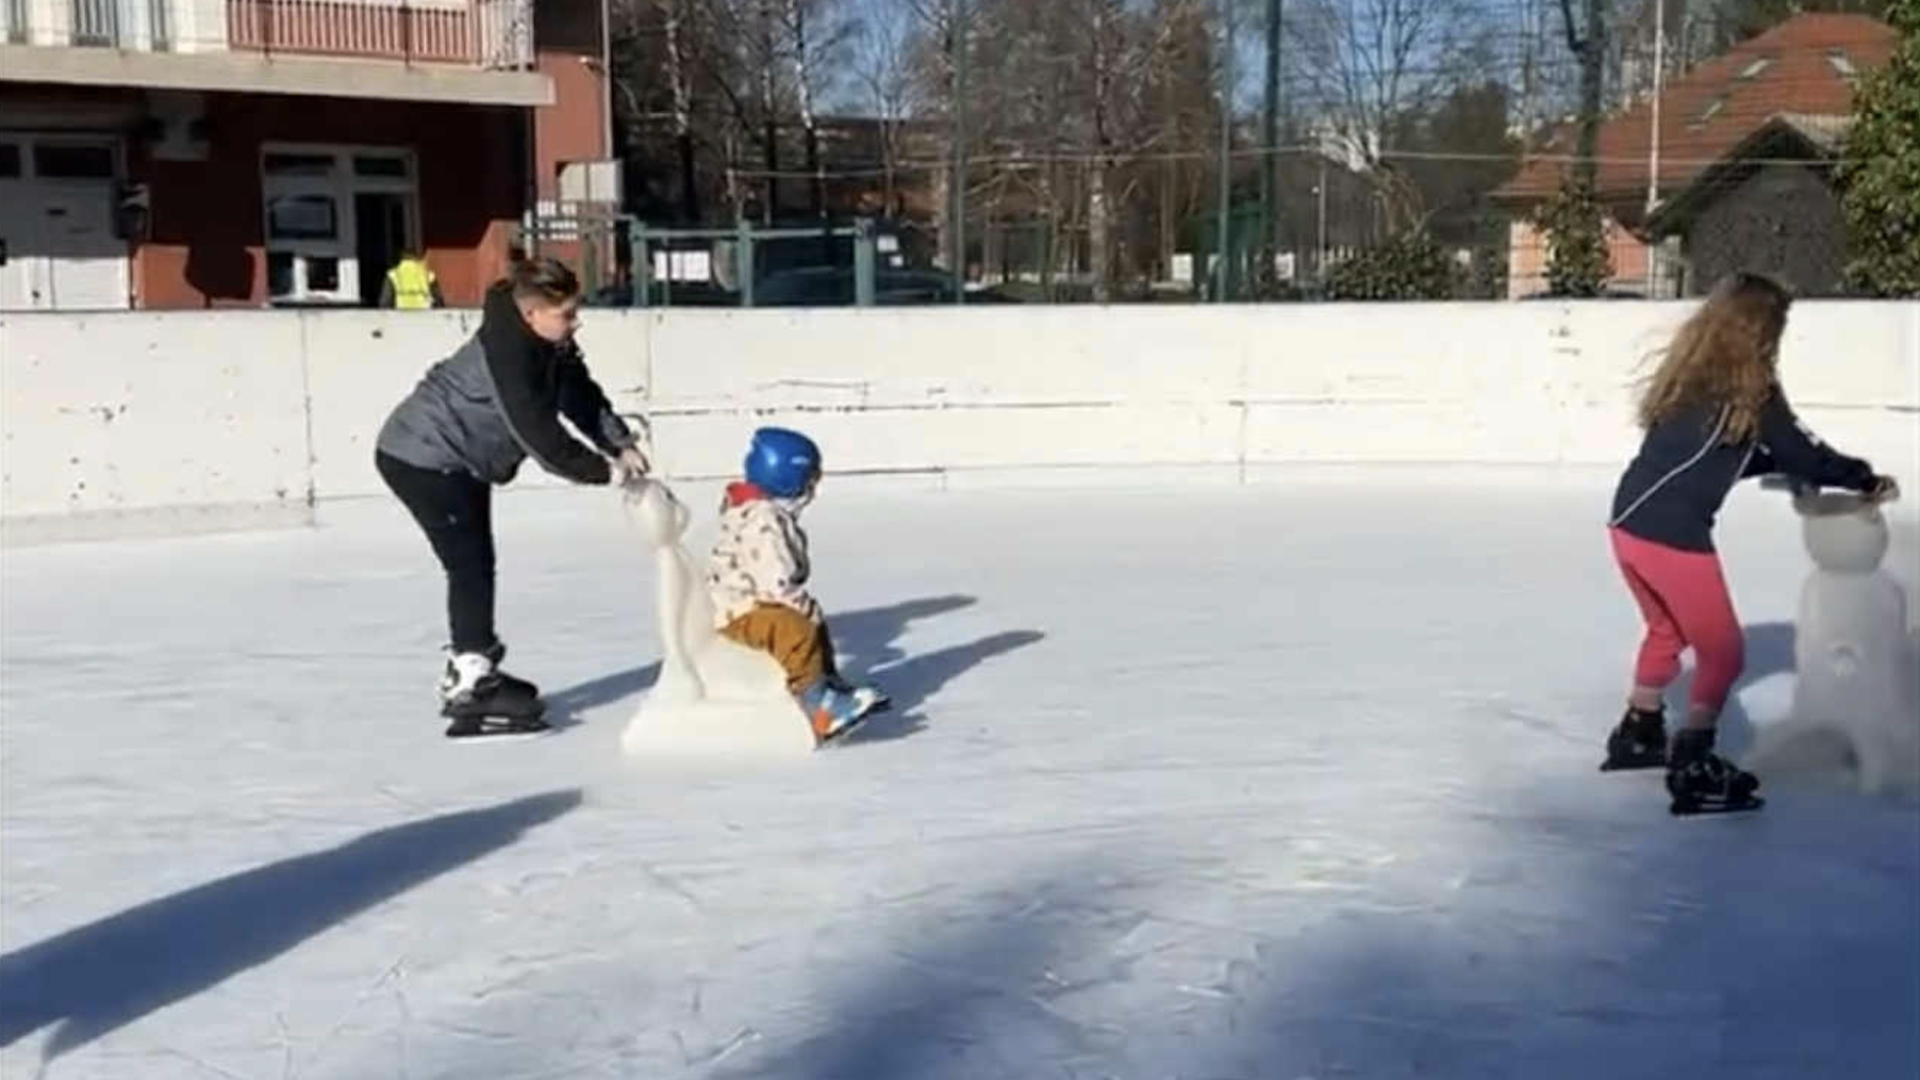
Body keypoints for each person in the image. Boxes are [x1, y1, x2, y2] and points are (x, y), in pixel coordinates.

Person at [1600, 271, 1898, 812]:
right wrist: (1861, 478)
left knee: (1666, 630)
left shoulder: (1691, 376)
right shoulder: (1754, 390)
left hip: (1627, 524)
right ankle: (1693, 765)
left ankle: (1639, 730)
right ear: (1762, 331)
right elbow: (1804, 452)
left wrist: (1762, 460)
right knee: (1724, 653)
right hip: (1671, 535)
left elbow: (1701, 456)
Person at [374, 256, 651, 736]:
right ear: (531, 314)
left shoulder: (549, 344)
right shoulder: (511, 356)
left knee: (476, 563)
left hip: (457, 457)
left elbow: (578, 393)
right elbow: (541, 438)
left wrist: (618, 441)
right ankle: (472, 683)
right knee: (469, 565)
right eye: (565, 315)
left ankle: (471, 667)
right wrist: (604, 473)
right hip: (421, 457)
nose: (574, 322)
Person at [706, 426, 889, 746]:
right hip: (740, 610)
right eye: (810, 480)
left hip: (751, 600)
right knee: (797, 628)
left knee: (810, 618)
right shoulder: (764, 520)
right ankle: (819, 707)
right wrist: (799, 605)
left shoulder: (762, 511)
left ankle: (828, 683)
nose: (813, 489)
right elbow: (774, 581)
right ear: (788, 479)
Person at [380, 247, 444, 310]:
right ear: (417, 258)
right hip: (425, 316)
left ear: (401, 259)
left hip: (400, 316)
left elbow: (385, 303)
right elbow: (439, 301)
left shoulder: (393, 275)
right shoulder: (428, 274)